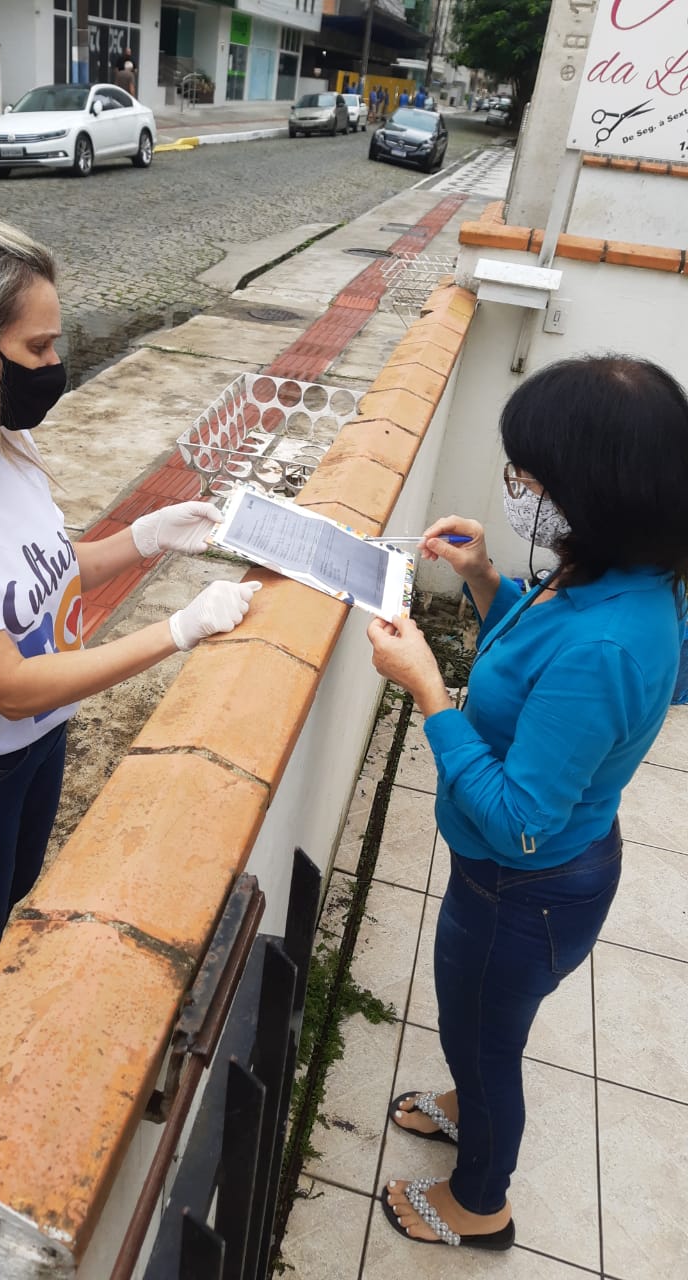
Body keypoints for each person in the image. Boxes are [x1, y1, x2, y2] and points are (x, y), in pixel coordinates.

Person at [0, 218, 260, 1055]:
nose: (54, 367)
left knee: (17, 888)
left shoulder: (2, 438)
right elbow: (5, 682)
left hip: (40, 734)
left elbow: (43, 570)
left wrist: (143, 538)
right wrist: (179, 629)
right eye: (38, 348)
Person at [366, 355, 688, 1252]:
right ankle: (467, 1096)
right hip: (542, 880)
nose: (516, 489)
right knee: (482, 1025)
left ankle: (480, 1205)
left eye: (530, 478)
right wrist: (483, 580)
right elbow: (549, 652)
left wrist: (430, 693)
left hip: (523, 884)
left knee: (485, 1040)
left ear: (597, 489)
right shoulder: (617, 573)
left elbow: (519, 814)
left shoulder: (609, 641)